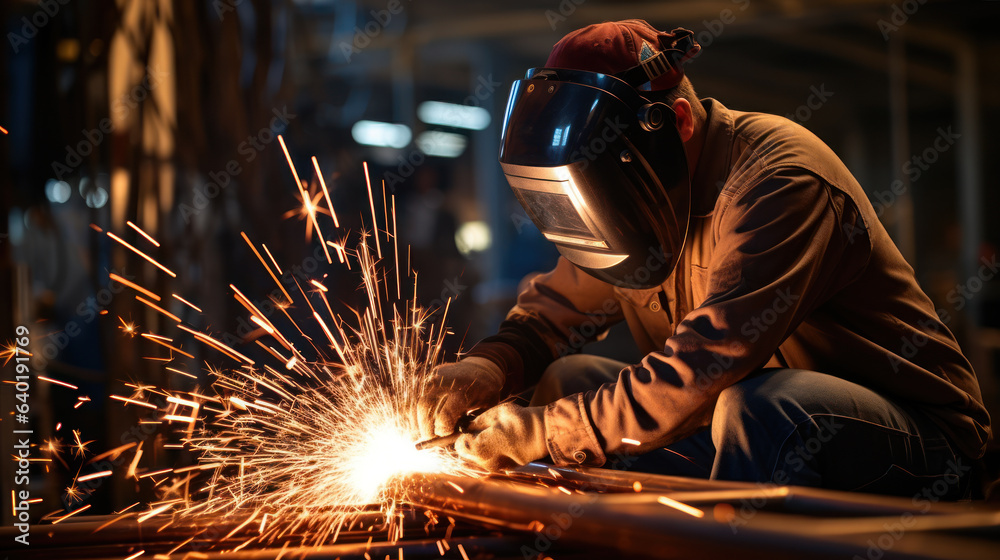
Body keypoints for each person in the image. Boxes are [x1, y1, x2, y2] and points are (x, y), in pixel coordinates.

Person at [417, 20, 991, 497]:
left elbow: (703, 368)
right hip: (735, 421)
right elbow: (563, 305)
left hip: (918, 444)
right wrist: (491, 365)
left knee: (768, 406)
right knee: (571, 378)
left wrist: (539, 432)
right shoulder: (637, 199)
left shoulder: (779, 181)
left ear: (679, 123)